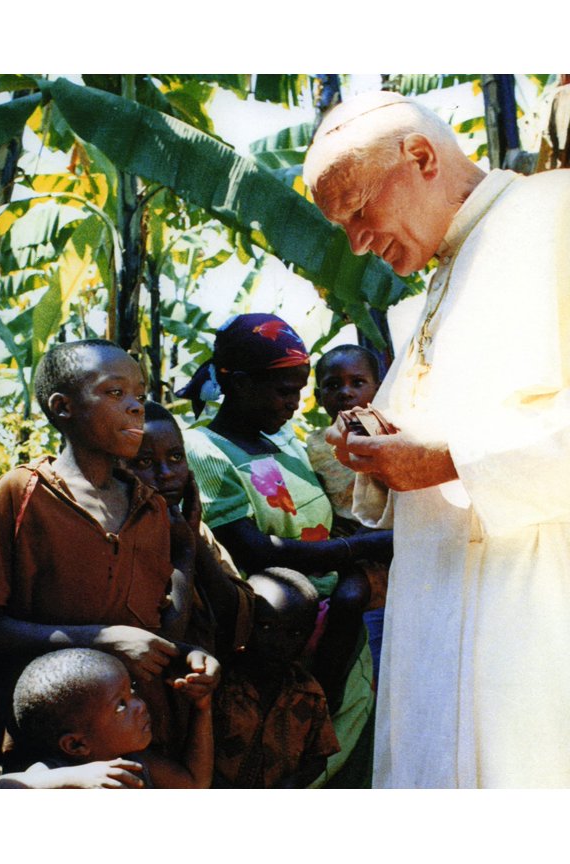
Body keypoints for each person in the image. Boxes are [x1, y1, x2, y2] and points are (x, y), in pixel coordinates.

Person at [303, 89, 570, 788]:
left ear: (420, 156)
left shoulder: (556, 213)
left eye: (359, 211)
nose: (356, 243)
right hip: (431, 627)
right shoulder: (435, 283)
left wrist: (450, 458)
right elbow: (418, 450)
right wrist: (375, 446)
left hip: (532, 623)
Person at [180, 312, 392, 787]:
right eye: (282, 391)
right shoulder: (203, 449)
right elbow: (253, 550)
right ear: (235, 383)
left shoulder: (287, 443)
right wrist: (369, 547)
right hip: (278, 638)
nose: (295, 404)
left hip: (341, 623)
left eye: (299, 389)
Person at [0, 338, 219, 764]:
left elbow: (159, 631)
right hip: (54, 746)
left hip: (137, 735)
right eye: (116, 393)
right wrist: (100, 641)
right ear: (63, 407)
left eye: (139, 395)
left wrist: (193, 659)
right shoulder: (23, 495)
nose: (136, 408)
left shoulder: (149, 507)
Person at [126, 399, 255, 657]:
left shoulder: (192, 526)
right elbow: (167, 641)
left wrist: (193, 537)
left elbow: (236, 619)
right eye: (144, 462)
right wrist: (185, 550)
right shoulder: (122, 537)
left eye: (176, 457)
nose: (166, 473)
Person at [0, 648, 213, 788]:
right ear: (76, 744)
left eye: (133, 691)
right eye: (121, 704)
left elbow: (193, 784)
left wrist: (201, 709)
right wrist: (69, 780)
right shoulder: (51, 774)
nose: (140, 705)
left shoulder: (135, 763)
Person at [307, 344, 390, 682]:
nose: (346, 392)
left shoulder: (392, 437)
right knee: (363, 635)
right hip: (351, 556)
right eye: (333, 384)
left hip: (393, 550)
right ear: (317, 395)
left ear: (378, 388)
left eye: (358, 382)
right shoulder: (314, 447)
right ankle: (333, 686)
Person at [212, 567, 340, 788]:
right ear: (245, 622)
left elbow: (319, 755)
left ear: (310, 634)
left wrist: (293, 784)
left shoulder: (309, 693)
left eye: (295, 633)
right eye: (266, 627)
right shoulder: (220, 684)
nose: (278, 643)